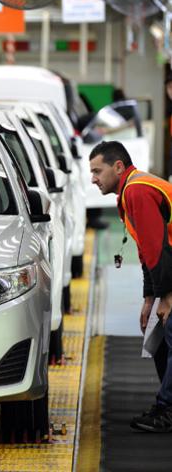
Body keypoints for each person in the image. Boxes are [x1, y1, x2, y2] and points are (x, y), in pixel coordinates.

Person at [89, 140, 172, 432]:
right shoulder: (131, 190)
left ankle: (167, 410)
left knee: (170, 334)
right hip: (167, 267)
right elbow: (147, 253)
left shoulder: (136, 190)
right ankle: (167, 405)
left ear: (118, 167)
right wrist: (150, 299)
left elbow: (157, 249)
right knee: (161, 338)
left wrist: (166, 298)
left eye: (98, 171)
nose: (93, 179)